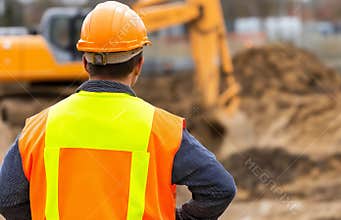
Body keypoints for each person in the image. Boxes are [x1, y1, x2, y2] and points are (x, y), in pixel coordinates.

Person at [0, 1, 236, 220]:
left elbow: (7, 198)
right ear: (139, 64)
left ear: (84, 62)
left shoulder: (39, 128)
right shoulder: (162, 129)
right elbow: (219, 189)